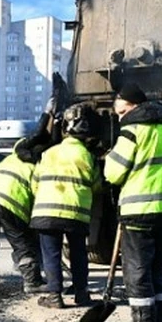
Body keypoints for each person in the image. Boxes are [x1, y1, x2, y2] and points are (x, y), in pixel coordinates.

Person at [104, 83, 162, 322]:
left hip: (138, 210)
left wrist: (110, 158)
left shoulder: (133, 130)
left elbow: (113, 173)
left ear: (134, 106)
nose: (120, 118)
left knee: (137, 273)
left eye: (122, 112)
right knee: (156, 270)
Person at [30, 102, 102, 309]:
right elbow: (97, 186)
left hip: (46, 213)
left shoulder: (49, 153)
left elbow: (35, 183)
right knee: (79, 254)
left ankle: (55, 297)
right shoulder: (88, 157)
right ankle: (81, 294)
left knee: (51, 254)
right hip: (76, 215)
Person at [0, 137, 44, 294]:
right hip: (9, 203)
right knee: (21, 241)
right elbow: (37, 192)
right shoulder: (34, 166)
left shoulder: (8, 160)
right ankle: (32, 281)